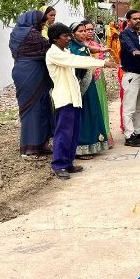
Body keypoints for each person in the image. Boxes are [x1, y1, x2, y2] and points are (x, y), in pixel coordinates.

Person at [45, 23, 117, 179]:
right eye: (65, 36)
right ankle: (59, 165)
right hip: (65, 98)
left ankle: (68, 163)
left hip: (74, 97)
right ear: (55, 38)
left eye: (68, 35)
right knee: (63, 133)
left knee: (73, 133)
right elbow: (75, 61)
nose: (68, 39)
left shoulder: (64, 51)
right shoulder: (54, 53)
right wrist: (103, 63)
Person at [9, 10, 54, 161]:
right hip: (31, 73)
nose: (42, 26)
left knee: (41, 106)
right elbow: (48, 48)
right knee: (33, 109)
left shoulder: (15, 33)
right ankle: (30, 149)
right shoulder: (31, 34)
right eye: (41, 23)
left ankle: (40, 144)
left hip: (23, 71)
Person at [69, 21, 112, 159]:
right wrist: (103, 63)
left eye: (85, 31)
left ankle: (93, 142)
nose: (84, 33)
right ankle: (82, 146)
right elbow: (80, 63)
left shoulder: (81, 46)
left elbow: (89, 49)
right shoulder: (72, 48)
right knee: (84, 114)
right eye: (80, 31)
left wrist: (101, 50)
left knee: (93, 111)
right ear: (73, 34)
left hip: (89, 83)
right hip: (80, 86)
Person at [84, 22, 115, 149]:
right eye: (87, 30)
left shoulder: (98, 45)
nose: (90, 32)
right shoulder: (78, 47)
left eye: (92, 29)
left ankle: (105, 135)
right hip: (85, 79)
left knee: (101, 105)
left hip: (98, 78)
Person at [120, 9, 140, 147]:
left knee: (139, 106)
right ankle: (129, 136)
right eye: (135, 19)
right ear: (128, 21)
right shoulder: (125, 34)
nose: (138, 21)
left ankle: (137, 131)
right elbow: (128, 45)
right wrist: (134, 51)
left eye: (139, 18)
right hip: (131, 74)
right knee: (129, 107)